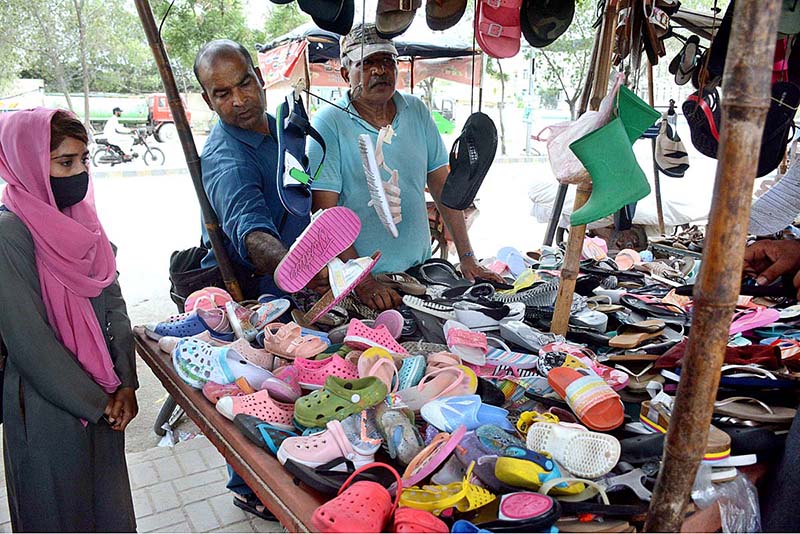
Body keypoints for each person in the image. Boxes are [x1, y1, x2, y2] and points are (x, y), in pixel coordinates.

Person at [194, 38, 328, 520]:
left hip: (295, 280)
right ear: (208, 100)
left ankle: (286, 464)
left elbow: (300, 194)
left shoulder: (279, 130)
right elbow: (251, 234)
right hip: (257, 293)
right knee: (254, 394)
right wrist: (299, 270)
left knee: (287, 391)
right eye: (222, 93)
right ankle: (250, 487)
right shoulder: (226, 156)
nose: (239, 100)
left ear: (258, 74)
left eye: (244, 83)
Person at [0, 108, 138, 531]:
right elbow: (30, 342)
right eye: (65, 163)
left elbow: (112, 299)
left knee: (108, 514)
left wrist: (126, 382)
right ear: (26, 164)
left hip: (105, 397)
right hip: (47, 409)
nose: (79, 173)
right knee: (59, 515)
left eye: (83, 160)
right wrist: (98, 404)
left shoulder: (82, 221)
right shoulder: (10, 233)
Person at [309, 24, 503, 311]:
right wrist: (362, 282)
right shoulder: (330, 122)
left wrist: (467, 257)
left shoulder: (416, 111)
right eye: (367, 63)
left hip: (421, 273)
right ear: (345, 73)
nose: (380, 71)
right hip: (365, 283)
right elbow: (325, 214)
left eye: (387, 61)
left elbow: (442, 187)